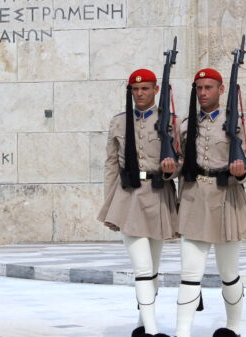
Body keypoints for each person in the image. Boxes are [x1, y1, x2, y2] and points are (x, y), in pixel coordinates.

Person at [162, 68, 246, 337]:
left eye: (209, 87)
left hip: (227, 198)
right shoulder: (185, 124)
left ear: (221, 90)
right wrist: (171, 169)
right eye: (199, 88)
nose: (203, 93)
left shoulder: (235, 124)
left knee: (229, 272)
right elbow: (181, 163)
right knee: (190, 272)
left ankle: (233, 328)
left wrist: (241, 172)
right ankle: (183, 332)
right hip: (194, 199)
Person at [97, 68, 178, 337]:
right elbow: (111, 164)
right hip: (129, 196)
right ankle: (153, 331)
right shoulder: (119, 121)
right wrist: (111, 201)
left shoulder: (169, 121)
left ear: (156, 90)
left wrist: (171, 169)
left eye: (145, 89)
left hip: (159, 194)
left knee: (153, 268)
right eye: (135, 89)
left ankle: (143, 325)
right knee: (142, 267)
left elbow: (181, 163)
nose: (140, 93)